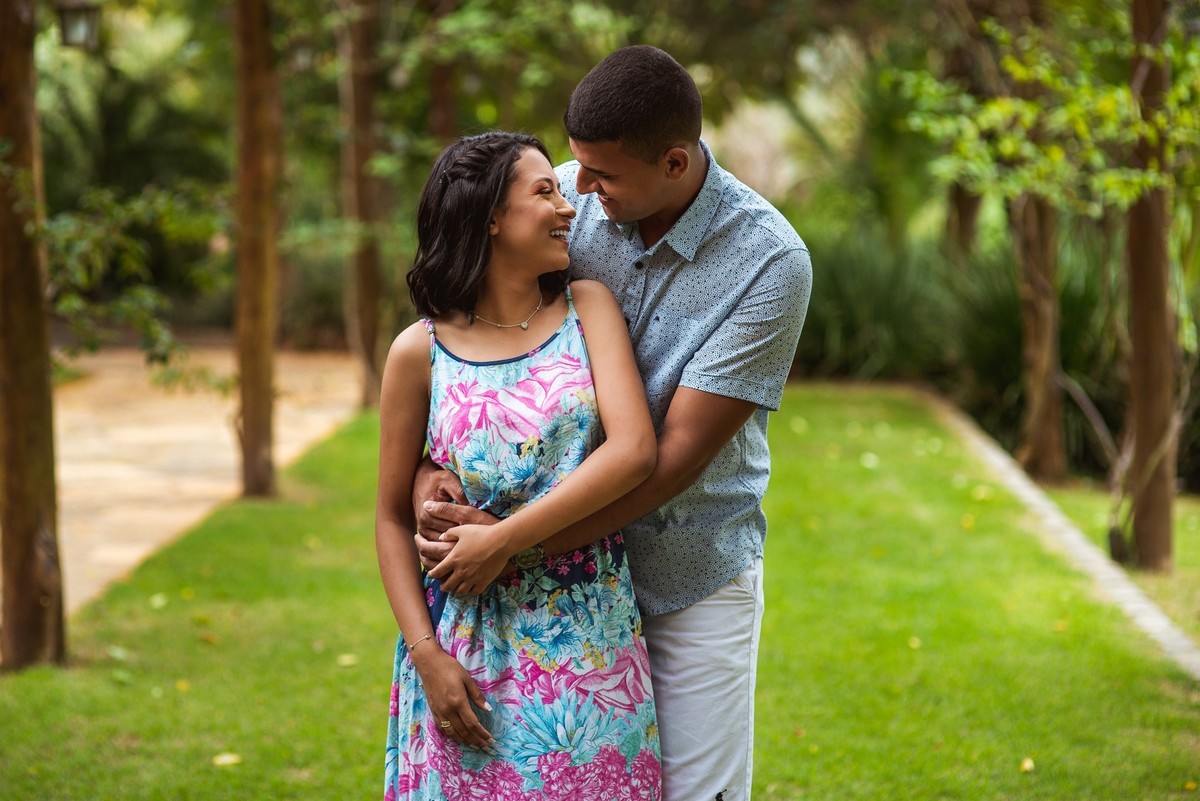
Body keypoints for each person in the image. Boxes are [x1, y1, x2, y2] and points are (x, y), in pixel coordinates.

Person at [416, 46, 812, 801]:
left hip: (684, 575)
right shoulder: (561, 201)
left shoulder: (770, 264)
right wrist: (431, 481)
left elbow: (669, 460)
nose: (582, 194)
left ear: (673, 162)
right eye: (575, 169)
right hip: (558, 598)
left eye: (603, 176)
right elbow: (458, 360)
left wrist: (511, 543)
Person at [375, 130, 663, 800]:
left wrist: (502, 539)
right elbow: (390, 517)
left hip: (592, 647)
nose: (567, 208)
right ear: (491, 218)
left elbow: (634, 450)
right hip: (464, 654)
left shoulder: (588, 309)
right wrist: (427, 656)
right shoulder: (419, 352)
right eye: (545, 192)